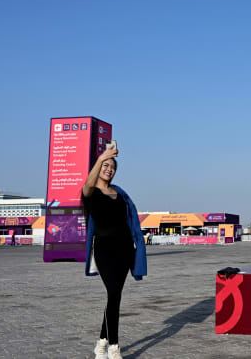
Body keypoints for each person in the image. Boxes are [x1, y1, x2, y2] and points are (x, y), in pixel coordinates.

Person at [82, 146, 147, 359]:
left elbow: (130, 220)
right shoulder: (91, 193)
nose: (109, 170)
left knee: (114, 296)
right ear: (97, 167)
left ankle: (101, 343)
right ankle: (114, 347)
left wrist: (135, 244)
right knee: (113, 294)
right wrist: (103, 156)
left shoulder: (120, 193)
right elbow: (87, 185)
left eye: (112, 167)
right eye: (105, 166)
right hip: (104, 251)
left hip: (125, 249)